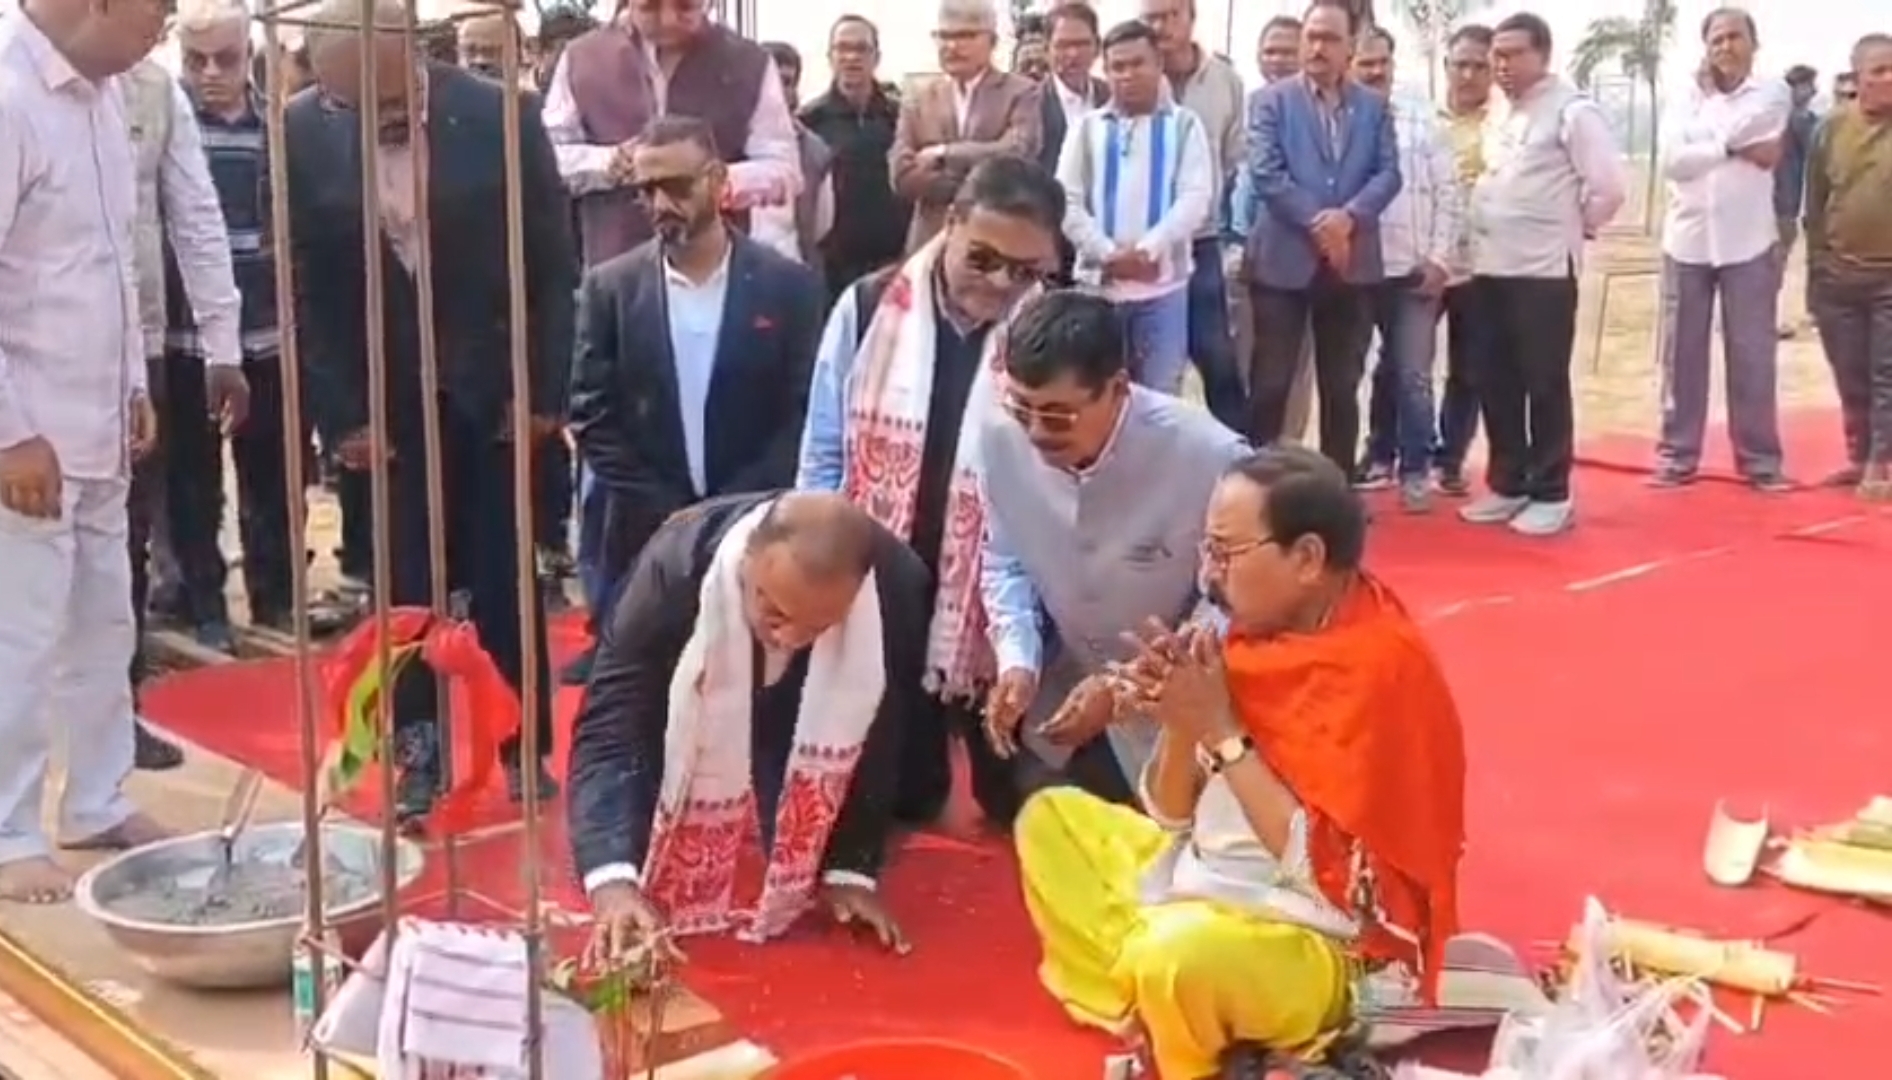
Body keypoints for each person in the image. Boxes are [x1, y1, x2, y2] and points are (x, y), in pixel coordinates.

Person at [1014, 446, 1467, 1079]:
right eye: (1207, 549)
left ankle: (1187, 1024)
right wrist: (1180, 717)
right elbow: (1173, 818)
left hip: (1317, 941)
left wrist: (1222, 733)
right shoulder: (1252, 637)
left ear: (1307, 558)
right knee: (1052, 821)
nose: (1209, 576)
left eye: (1226, 554)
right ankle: (1195, 1011)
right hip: (1209, 888)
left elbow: (1332, 881)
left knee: (1178, 957)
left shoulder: (1381, 669)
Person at [285, 0, 576, 821]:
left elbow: (554, 265)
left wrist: (542, 398)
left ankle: (520, 745)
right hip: (385, 404)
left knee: (503, 574)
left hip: (491, 389)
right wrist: (343, 416)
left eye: (379, 105)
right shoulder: (304, 130)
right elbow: (309, 285)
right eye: (346, 105)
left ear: (407, 56)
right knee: (401, 582)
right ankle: (416, 752)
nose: (363, 120)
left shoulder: (499, 115)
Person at [797, 156, 1063, 827]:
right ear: (949, 225)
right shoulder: (867, 305)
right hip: (883, 555)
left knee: (1025, 808)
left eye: (1026, 270)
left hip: (1000, 579)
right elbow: (825, 448)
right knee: (897, 794)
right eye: (984, 258)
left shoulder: (1053, 328)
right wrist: (817, 555)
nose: (1002, 282)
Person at [568, 491, 927, 960]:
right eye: (776, 613)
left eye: (818, 626)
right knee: (648, 773)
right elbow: (613, 724)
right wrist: (611, 880)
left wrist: (849, 870)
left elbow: (878, 732)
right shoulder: (674, 567)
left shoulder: (894, 586)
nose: (790, 638)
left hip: (807, 696)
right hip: (691, 684)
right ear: (749, 560)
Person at [0, 0, 179, 903]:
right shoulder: (7, 95)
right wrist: (7, 432)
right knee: (18, 635)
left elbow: (107, 263)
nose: (169, 22)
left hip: (100, 422)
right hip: (26, 438)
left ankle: (97, 798)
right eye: (160, 5)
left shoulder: (105, 98)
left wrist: (133, 384)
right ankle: (7, 828)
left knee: (106, 621)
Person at [569, 115, 825, 672]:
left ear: (717, 181)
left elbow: (805, 412)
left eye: (677, 186)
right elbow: (592, 415)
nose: (661, 203)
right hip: (645, 535)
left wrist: (728, 509)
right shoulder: (610, 288)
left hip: (758, 529)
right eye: (646, 191)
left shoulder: (788, 286)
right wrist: (669, 511)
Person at [979, 291, 1246, 810]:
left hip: (1187, 705)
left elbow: (1233, 603)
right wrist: (1018, 661)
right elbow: (1004, 560)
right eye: (1021, 408)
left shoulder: (1214, 458)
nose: (1034, 433)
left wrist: (1127, 687)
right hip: (1063, 693)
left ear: (1119, 389)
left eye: (1058, 416)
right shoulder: (996, 436)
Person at [1462, 12, 1625, 537]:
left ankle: (1552, 491)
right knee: (1495, 378)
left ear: (1543, 55)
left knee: (1543, 380)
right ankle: (1508, 483)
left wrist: (1574, 229)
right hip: (1490, 267)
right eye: (1497, 56)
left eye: (1512, 55)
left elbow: (1608, 187)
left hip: (1544, 273)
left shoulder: (1573, 113)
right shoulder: (1498, 114)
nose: (1501, 65)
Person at [1241, 0, 1401, 475]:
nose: (1317, 47)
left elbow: (1389, 174)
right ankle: (1261, 485)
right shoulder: (1270, 101)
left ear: (1350, 46)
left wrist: (1348, 220)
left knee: (1341, 386)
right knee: (1271, 382)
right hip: (1282, 265)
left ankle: (1336, 486)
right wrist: (1320, 223)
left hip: (1350, 266)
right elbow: (1267, 174)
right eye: (1311, 36)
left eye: (1330, 38)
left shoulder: (1373, 107)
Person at [544, 0, 800, 266]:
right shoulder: (582, 59)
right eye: (650, 7)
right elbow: (547, 153)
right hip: (616, 271)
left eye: (685, 7)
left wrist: (713, 181)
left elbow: (783, 166)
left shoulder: (750, 64)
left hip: (720, 270)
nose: (668, 19)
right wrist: (608, 163)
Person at [1650, 9, 1791, 491]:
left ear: (1754, 44)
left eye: (1735, 38)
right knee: (1680, 355)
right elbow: (1672, 161)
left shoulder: (1774, 92)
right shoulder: (1682, 96)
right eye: (1716, 39)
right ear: (1704, 47)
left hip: (1749, 242)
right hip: (1686, 242)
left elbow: (1758, 130)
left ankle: (1760, 461)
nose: (1725, 47)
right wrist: (1733, 147)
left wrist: (1706, 139)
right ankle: (1677, 455)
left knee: (1752, 354)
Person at [1056, 21, 1212, 395]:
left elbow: (1195, 198)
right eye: (1117, 67)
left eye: (1137, 63)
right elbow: (1065, 200)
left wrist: (1148, 250)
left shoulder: (1185, 125)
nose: (1127, 75)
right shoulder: (1086, 128)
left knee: (1158, 400)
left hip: (1163, 293)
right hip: (1097, 292)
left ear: (1159, 63)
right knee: (1095, 397)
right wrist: (1108, 254)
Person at [1353, 26, 1462, 514]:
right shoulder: (1342, 114)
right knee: (1368, 371)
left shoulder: (1423, 118)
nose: (1375, 71)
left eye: (1382, 62)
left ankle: (1416, 469)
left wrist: (1440, 259)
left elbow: (1449, 193)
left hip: (1414, 272)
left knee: (1414, 373)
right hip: (1356, 272)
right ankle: (1378, 456)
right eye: (1365, 62)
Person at [1138, 0, 1248, 432]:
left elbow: (1236, 159)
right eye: (1152, 18)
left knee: (1217, 357)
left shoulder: (1226, 81)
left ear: (1191, 16)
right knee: (1151, 369)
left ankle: (1241, 460)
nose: (1162, 26)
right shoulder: (1131, 77)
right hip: (1140, 245)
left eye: (1171, 15)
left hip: (1201, 241)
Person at [1804, 33, 1892, 497]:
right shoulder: (1830, 130)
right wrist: (1818, 266)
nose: (1889, 78)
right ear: (1857, 77)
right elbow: (1815, 204)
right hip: (1837, 275)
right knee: (1849, 370)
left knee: (1886, 372)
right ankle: (1858, 456)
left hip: (1889, 280)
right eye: (1878, 70)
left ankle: (1882, 462)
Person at [890, 0, 1043, 254]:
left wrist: (944, 154)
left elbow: (1017, 153)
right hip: (929, 246)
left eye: (965, 35)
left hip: (997, 247)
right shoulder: (918, 97)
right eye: (944, 36)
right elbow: (901, 176)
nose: (952, 46)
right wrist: (977, 182)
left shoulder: (1021, 92)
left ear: (992, 42)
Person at [1228, 15, 1312, 445]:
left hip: (1297, 253)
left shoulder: (1315, 112)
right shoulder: (1249, 103)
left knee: (1293, 371)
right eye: (1270, 51)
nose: (1277, 60)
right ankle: (1250, 455)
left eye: (1287, 50)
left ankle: (1288, 455)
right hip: (1242, 252)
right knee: (1248, 364)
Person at [798, 15, 906, 310]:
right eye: (842, 49)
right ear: (830, 57)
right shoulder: (810, 121)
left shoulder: (899, 118)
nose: (851, 58)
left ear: (877, 57)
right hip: (832, 269)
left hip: (893, 262)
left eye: (861, 49)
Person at [1433, 24, 1494, 496]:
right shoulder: (1419, 119)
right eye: (1461, 64)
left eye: (1480, 65)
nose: (1469, 74)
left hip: (1480, 268)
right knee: (1401, 364)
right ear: (1446, 67)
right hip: (1424, 263)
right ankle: (1385, 453)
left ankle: (1450, 459)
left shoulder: (1504, 126)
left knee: (1469, 368)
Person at [754, 42, 836, 274]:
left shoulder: (814, 150)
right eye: (770, 80)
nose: (778, 89)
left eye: (787, 81)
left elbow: (821, 226)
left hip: (796, 272)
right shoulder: (725, 143)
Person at [1038, 2, 1106, 181]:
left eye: (1082, 44)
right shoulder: (1032, 102)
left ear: (1097, 47)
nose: (1073, 54)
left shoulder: (1111, 97)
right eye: (1063, 45)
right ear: (1046, 50)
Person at [1776, 63, 1820, 338]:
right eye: (1809, 85)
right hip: (1784, 202)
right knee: (1774, 265)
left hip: (1783, 201)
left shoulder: (1779, 116)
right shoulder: (1798, 119)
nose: (1814, 90)